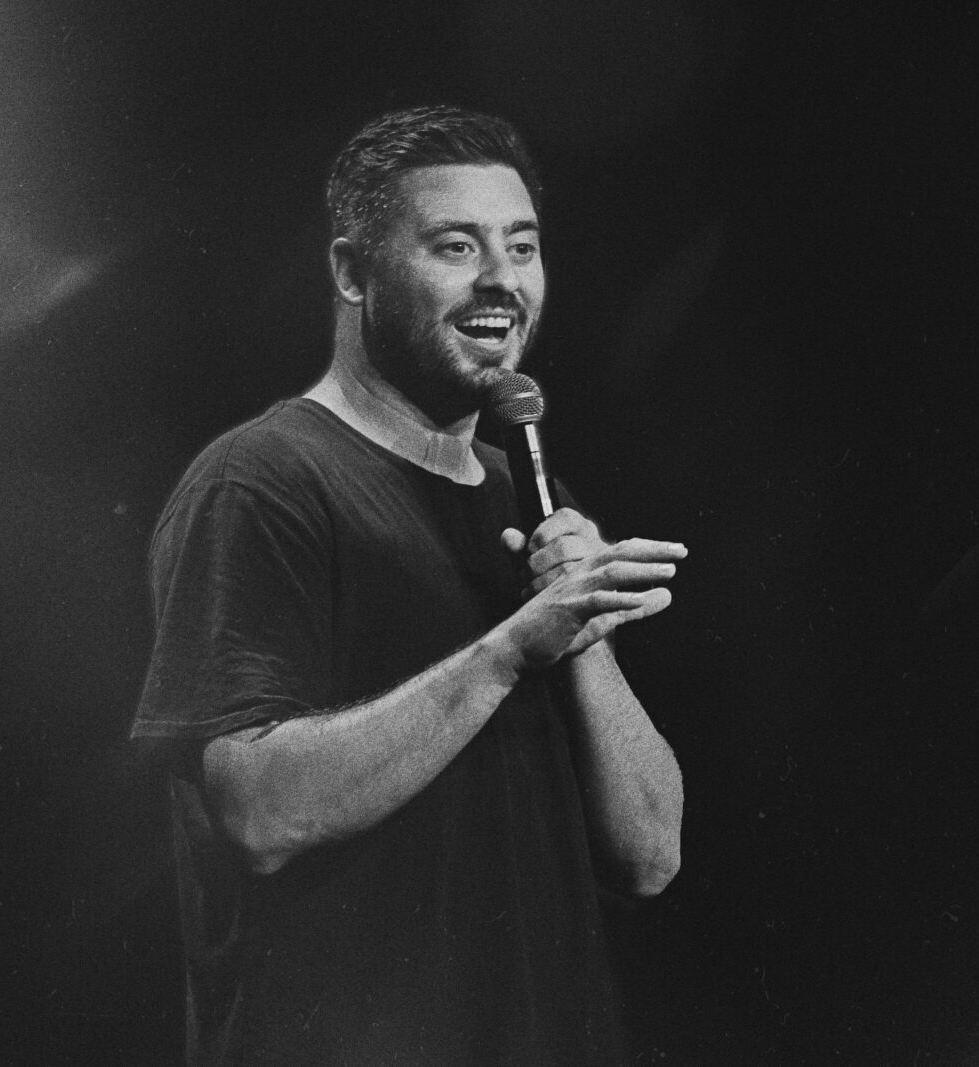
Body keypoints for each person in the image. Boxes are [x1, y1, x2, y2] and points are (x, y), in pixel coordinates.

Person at [131, 105, 687, 1066]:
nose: (501, 279)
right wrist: (508, 651)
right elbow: (260, 814)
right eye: (456, 246)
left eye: (522, 246)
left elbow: (649, 854)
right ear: (354, 273)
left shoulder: (530, 500)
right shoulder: (263, 481)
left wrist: (581, 633)